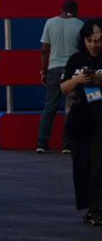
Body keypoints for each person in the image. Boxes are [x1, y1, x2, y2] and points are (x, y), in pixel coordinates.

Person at [62, 18, 102, 226]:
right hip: (80, 119)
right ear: (83, 40)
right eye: (90, 40)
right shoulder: (75, 60)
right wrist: (78, 80)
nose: (94, 45)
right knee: (82, 165)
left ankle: (97, 208)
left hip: (101, 121)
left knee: (99, 165)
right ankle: (90, 207)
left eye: (98, 40)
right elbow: (63, 88)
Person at [39, 0, 85, 154]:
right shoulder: (79, 25)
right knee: (70, 107)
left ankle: (41, 143)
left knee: (49, 106)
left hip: (54, 69)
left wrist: (43, 71)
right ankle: (67, 144)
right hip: (72, 70)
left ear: (62, 9)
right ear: (76, 11)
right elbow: (82, 51)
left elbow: (45, 49)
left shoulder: (50, 23)